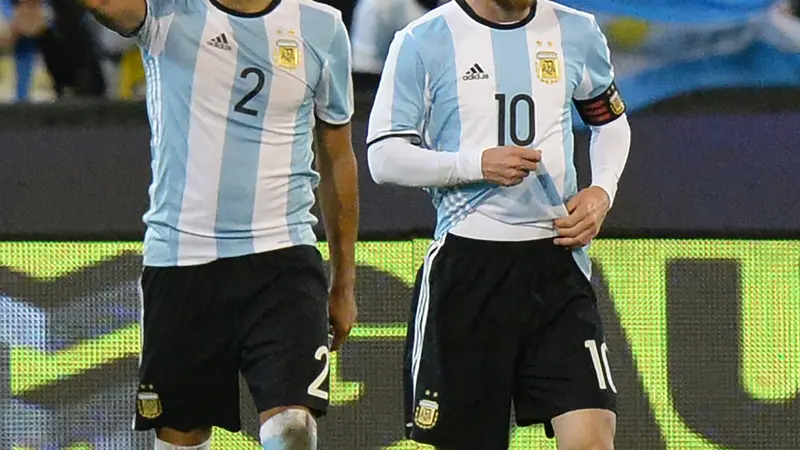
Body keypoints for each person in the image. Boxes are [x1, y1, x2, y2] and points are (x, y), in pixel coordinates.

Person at [74, 0, 360, 448]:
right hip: (184, 258)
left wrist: (344, 281)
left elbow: (337, 155)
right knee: (180, 438)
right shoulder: (167, 12)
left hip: (283, 257)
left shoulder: (320, 25)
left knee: (292, 430)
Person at [367, 0, 631, 449]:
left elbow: (611, 123)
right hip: (467, 269)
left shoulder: (577, 30)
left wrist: (602, 189)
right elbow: (383, 155)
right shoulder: (422, 39)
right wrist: (475, 164)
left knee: (592, 439)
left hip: (556, 266)